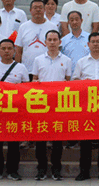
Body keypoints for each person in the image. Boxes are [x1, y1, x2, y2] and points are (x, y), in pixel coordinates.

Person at [72, 32, 99, 181]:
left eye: (98, 41)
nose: (96, 44)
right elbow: (75, 82)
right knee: (85, 140)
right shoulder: (81, 62)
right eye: (93, 42)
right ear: (88, 44)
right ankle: (84, 171)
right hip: (87, 106)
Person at [32, 30, 72, 181]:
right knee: (40, 140)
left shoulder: (67, 60)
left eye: (55, 39)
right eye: (50, 39)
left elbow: (68, 81)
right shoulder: (38, 60)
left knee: (57, 140)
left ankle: (56, 169)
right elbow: (35, 79)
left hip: (59, 105)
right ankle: (41, 169)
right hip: (42, 105)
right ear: (45, 42)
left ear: (60, 42)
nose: (53, 42)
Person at [0, 39, 30, 180]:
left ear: (14, 50)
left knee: (14, 142)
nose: (6, 51)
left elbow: (26, 90)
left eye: (9, 48)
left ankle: (13, 170)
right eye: (3, 48)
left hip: (15, 110)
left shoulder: (21, 68)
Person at [15, 0, 58, 76]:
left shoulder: (52, 26)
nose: (38, 10)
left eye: (40, 8)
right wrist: (17, 70)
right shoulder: (23, 27)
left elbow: (57, 49)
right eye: (35, 8)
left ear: (44, 10)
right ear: (30, 10)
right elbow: (18, 50)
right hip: (27, 71)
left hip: (47, 71)